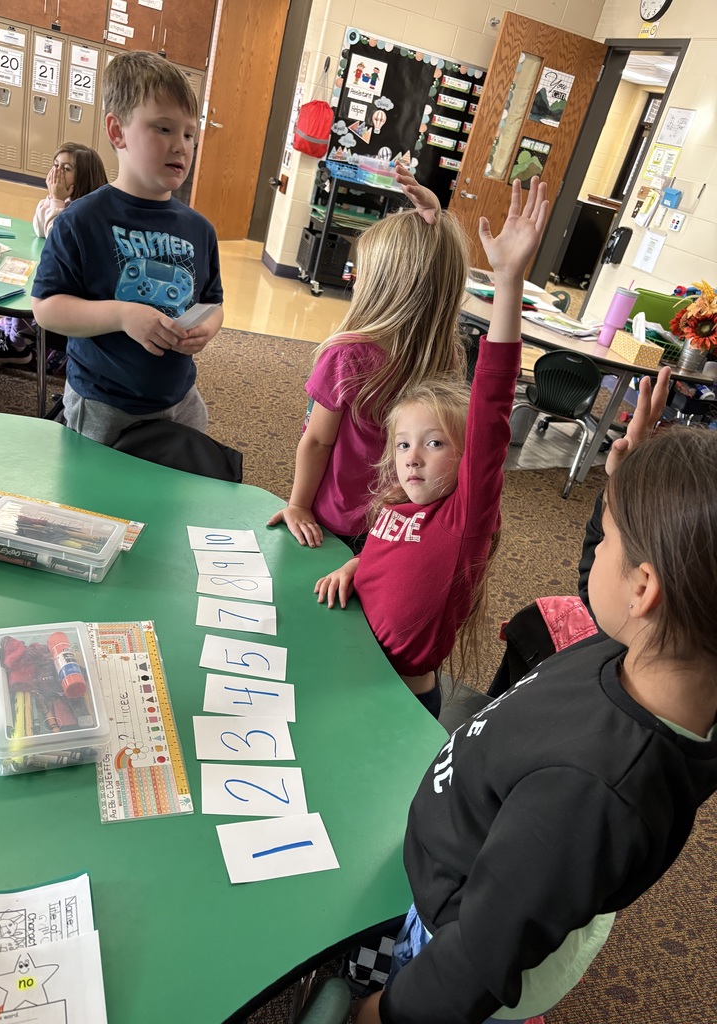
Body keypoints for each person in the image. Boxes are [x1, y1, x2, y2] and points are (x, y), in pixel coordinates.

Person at [356, 373, 717, 1024]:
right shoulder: (654, 649)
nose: (597, 549)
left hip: (451, 927)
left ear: (644, 589)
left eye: (609, 536)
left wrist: (388, 1012)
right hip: (477, 858)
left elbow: (478, 957)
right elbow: (601, 588)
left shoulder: (591, 789)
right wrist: (623, 486)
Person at [313, 177, 549, 717]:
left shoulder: (463, 518)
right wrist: (357, 569)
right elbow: (391, 555)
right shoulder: (398, 505)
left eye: (435, 443)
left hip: (400, 701)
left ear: (466, 458)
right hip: (353, 670)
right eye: (401, 445)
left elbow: (492, 400)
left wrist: (509, 282)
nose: (412, 458)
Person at [267, 162, 470, 553]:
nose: (356, 278)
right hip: (400, 527)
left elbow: (317, 442)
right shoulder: (447, 356)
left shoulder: (348, 356)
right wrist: (437, 224)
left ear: (384, 285)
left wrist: (298, 504)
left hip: (334, 522)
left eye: (363, 271)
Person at [31, 50, 224, 445]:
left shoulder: (200, 230)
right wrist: (122, 315)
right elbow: (46, 308)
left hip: (181, 401)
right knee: (94, 486)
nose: (181, 146)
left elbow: (213, 302)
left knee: (174, 484)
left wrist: (207, 328)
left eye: (189, 135)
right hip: (104, 404)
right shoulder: (81, 220)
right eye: (164, 129)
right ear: (117, 131)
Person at [0, 143, 108, 368]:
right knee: (16, 271)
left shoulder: (87, 211)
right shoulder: (66, 202)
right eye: (55, 165)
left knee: (33, 284)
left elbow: (55, 238)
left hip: (73, 294)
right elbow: (40, 228)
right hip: (63, 282)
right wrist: (52, 198)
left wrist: (57, 201)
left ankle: (17, 346)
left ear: (84, 176)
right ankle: (15, 331)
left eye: (66, 168)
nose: (57, 173)